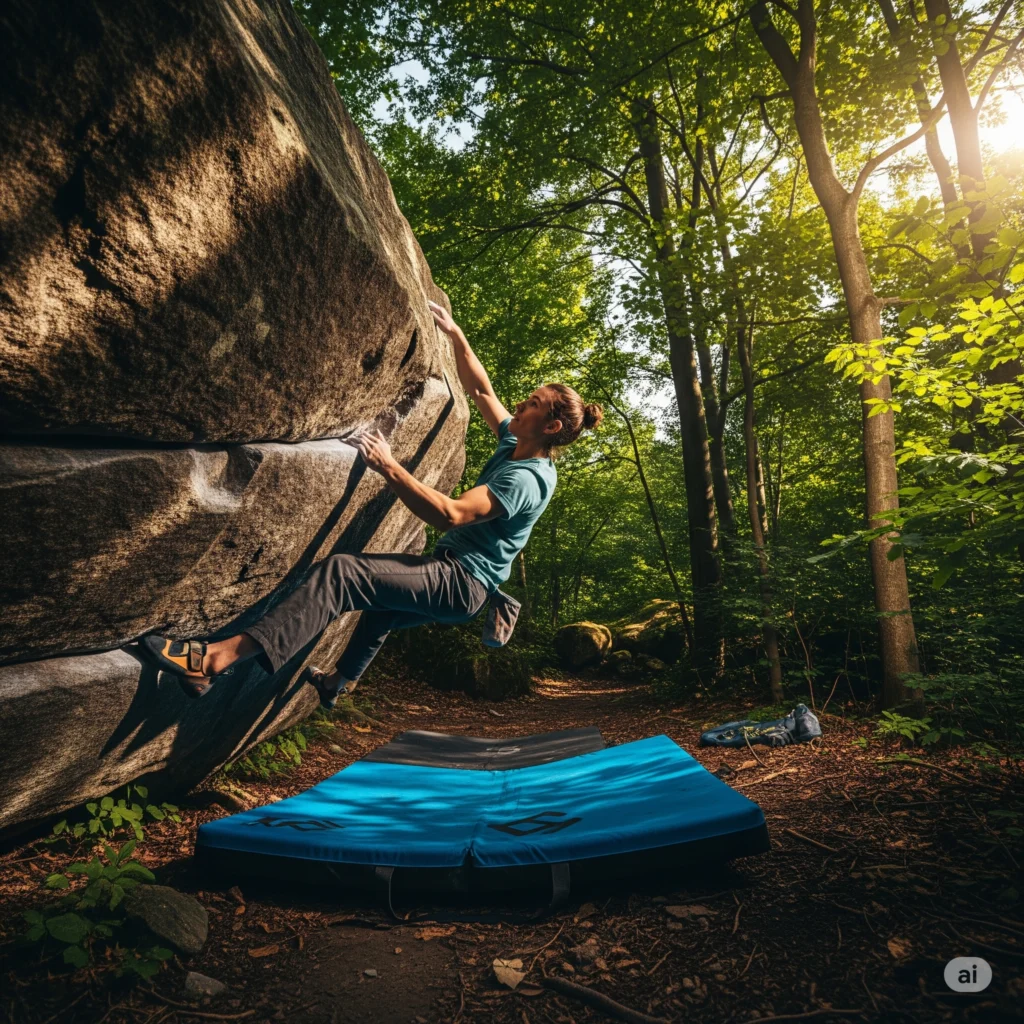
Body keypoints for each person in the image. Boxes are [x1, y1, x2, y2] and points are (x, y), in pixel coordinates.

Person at [142, 301, 603, 705]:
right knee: (380, 610)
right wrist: (457, 334)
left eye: (532, 404)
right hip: (460, 582)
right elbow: (482, 390)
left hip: (461, 584)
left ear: (552, 426)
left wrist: (389, 465)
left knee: (344, 574)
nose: (520, 405)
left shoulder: (527, 478)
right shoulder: (513, 443)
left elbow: (452, 513)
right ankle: (337, 684)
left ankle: (213, 660)